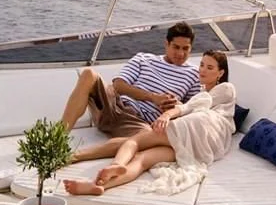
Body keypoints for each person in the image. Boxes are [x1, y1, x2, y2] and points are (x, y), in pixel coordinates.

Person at [64, 50, 235, 195]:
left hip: (199, 129)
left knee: (135, 141)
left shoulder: (226, 88)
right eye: (202, 65)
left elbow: (191, 108)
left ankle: (117, 164)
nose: (203, 70)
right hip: (199, 148)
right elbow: (190, 106)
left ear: (220, 73)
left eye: (209, 67)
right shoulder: (202, 92)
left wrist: (166, 115)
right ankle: (99, 185)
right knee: (141, 160)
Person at [58, 21, 201, 163]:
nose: (180, 53)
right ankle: (57, 139)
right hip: (115, 105)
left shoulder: (194, 74)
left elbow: (192, 109)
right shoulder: (143, 59)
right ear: (166, 44)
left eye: (185, 49)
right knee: (88, 74)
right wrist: (153, 97)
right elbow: (118, 85)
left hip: (139, 122)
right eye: (176, 47)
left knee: (146, 138)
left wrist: (174, 106)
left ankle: (73, 157)